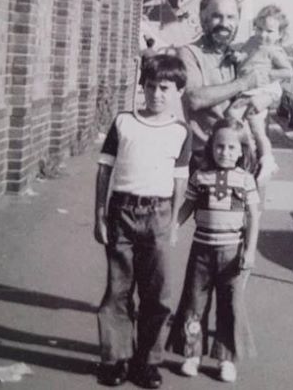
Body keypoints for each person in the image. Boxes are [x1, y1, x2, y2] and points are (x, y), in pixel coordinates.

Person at [94, 55, 192, 388]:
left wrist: (175, 223)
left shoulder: (180, 131)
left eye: (164, 88)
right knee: (118, 290)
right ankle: (117, 358)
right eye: (150, 86)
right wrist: (99, 215)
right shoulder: (124, 122)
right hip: (121, 211)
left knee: (158, 294)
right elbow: (105, 168)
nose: (156, 94)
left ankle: (147, 361)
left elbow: (180, 180)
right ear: (143, 86)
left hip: (159, 215)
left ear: (178, 90)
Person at [167, 118, 260, 383]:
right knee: (194, 303)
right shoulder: (201, 176)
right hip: (202, 251)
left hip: (232, 253)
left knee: (230, 305)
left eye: (232, 148)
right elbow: (188, 206)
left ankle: (225, 359)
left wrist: (250, 250)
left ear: (241, 150)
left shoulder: (246, 180)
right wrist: (174, 226)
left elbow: (254, 216)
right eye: (220, 146)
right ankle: (191, 353)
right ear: (211, 148)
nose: (225, 152)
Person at [177, 0, 259, 173]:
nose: (224, 24)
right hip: (205, 157)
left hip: (241, 156)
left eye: (231, 17)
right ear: (203, 18)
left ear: (238, 21)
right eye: (217, 16)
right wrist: (242, 83)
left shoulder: (241, 57)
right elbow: (195, 98)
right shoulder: (189, 53)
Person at [228, 4, 293, 182]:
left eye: (270, 31)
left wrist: (268, 74)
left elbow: (288, 72)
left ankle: (267, 159)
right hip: (248, 90)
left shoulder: (274, 51)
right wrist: (237, 57)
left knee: (256, 126)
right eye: (259, 29)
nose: (263, 35)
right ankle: (250, 153)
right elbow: (244, 56)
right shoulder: (251, 42)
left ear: (280, 34)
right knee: (235, 118)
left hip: (263, 89)